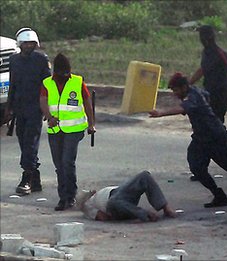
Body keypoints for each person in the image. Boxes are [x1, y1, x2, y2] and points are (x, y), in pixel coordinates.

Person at [149, 73, 227, 208]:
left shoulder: (193, 96)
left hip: (214, 136)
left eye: (176, 90)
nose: (175, 94)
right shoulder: (196, 92)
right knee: (196, 166)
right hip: (201, 138)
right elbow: (206, 96)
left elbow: (182, 108)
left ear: (183, 87)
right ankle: (218, 195)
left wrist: (160, 113)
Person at [39, 53, 96, 211]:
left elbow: (87, 102)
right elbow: (43, 100)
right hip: (55, 129)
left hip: (74, 129)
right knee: (59, 165)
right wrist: (48, 116)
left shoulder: (78, 82)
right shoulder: (47, 83)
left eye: (67, 73)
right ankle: (63, 197)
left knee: (67, 162)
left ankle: (68, 197)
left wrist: (91, 124)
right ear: (55, 73)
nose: (65, 77)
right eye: (62, 74)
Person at [189, 25, 227, 174]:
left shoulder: (220, 53)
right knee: (214, 128)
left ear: (208, 37)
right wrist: (188, 84)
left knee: (213, 129)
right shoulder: (206, 53)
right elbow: (202, 70)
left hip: (220, 96)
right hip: (208, 95)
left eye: (202, 36)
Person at [4, 28, 51, 195]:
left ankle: (26, 177)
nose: (29, 46)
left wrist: (48, 108)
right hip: (19, 107)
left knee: (30, 142)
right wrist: (9, 108)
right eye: (26, 43)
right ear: (20, 44)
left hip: (35, 107)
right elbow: (12, 84)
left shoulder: (41, 59)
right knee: (23, 142)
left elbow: (48, 85)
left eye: (32, 43)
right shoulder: (14, 60)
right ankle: (35, 177)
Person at [77, 170, 176, 222]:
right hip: (115, 205)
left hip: (121, 194)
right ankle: (146, 215)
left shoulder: (97, 196)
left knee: (144, 176)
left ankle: (165, 207)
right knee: (113, 201)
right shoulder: (87, 206)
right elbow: (102, 217)